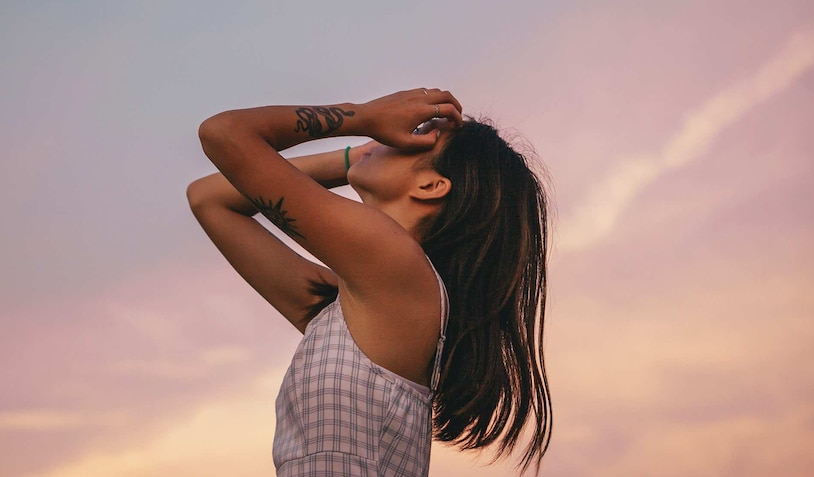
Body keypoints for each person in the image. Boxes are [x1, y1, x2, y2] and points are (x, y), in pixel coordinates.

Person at [187, 88, 552, 476]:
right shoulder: (359, 300)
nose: (389, 137)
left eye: (414, 140)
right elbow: (209, 198)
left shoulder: (395, 263)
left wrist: (363, 116)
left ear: (431, 185)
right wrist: (358, 156)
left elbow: (224, 134)